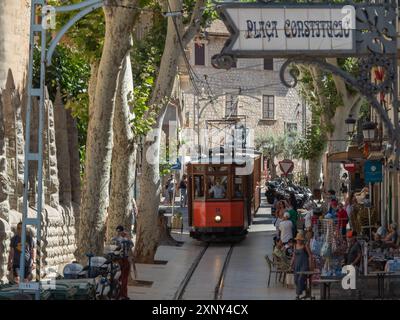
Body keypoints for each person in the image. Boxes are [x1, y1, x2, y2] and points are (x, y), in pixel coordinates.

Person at [112, 225, 134, 300]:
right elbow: (131, 246)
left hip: (115, 261)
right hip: (124, 260)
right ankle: (123, 294)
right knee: (124, 278)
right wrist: (127, 236)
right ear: (123, 231)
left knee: (116, 277)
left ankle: (116, 294)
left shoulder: (114, 239)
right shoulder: (127, 240)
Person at [291, 233, 313, 300]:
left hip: (304, 265)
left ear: (302, 240)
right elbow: (294, 256)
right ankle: (306, 290)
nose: (298, 241)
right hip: (297, 265)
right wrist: (291, 264)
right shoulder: (295, 246)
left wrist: (310, 264)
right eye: (297, 239)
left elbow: (310, 255)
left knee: (300, 279)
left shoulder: (305, 246)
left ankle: (298, 295)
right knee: (296, 280)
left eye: (299, 240)